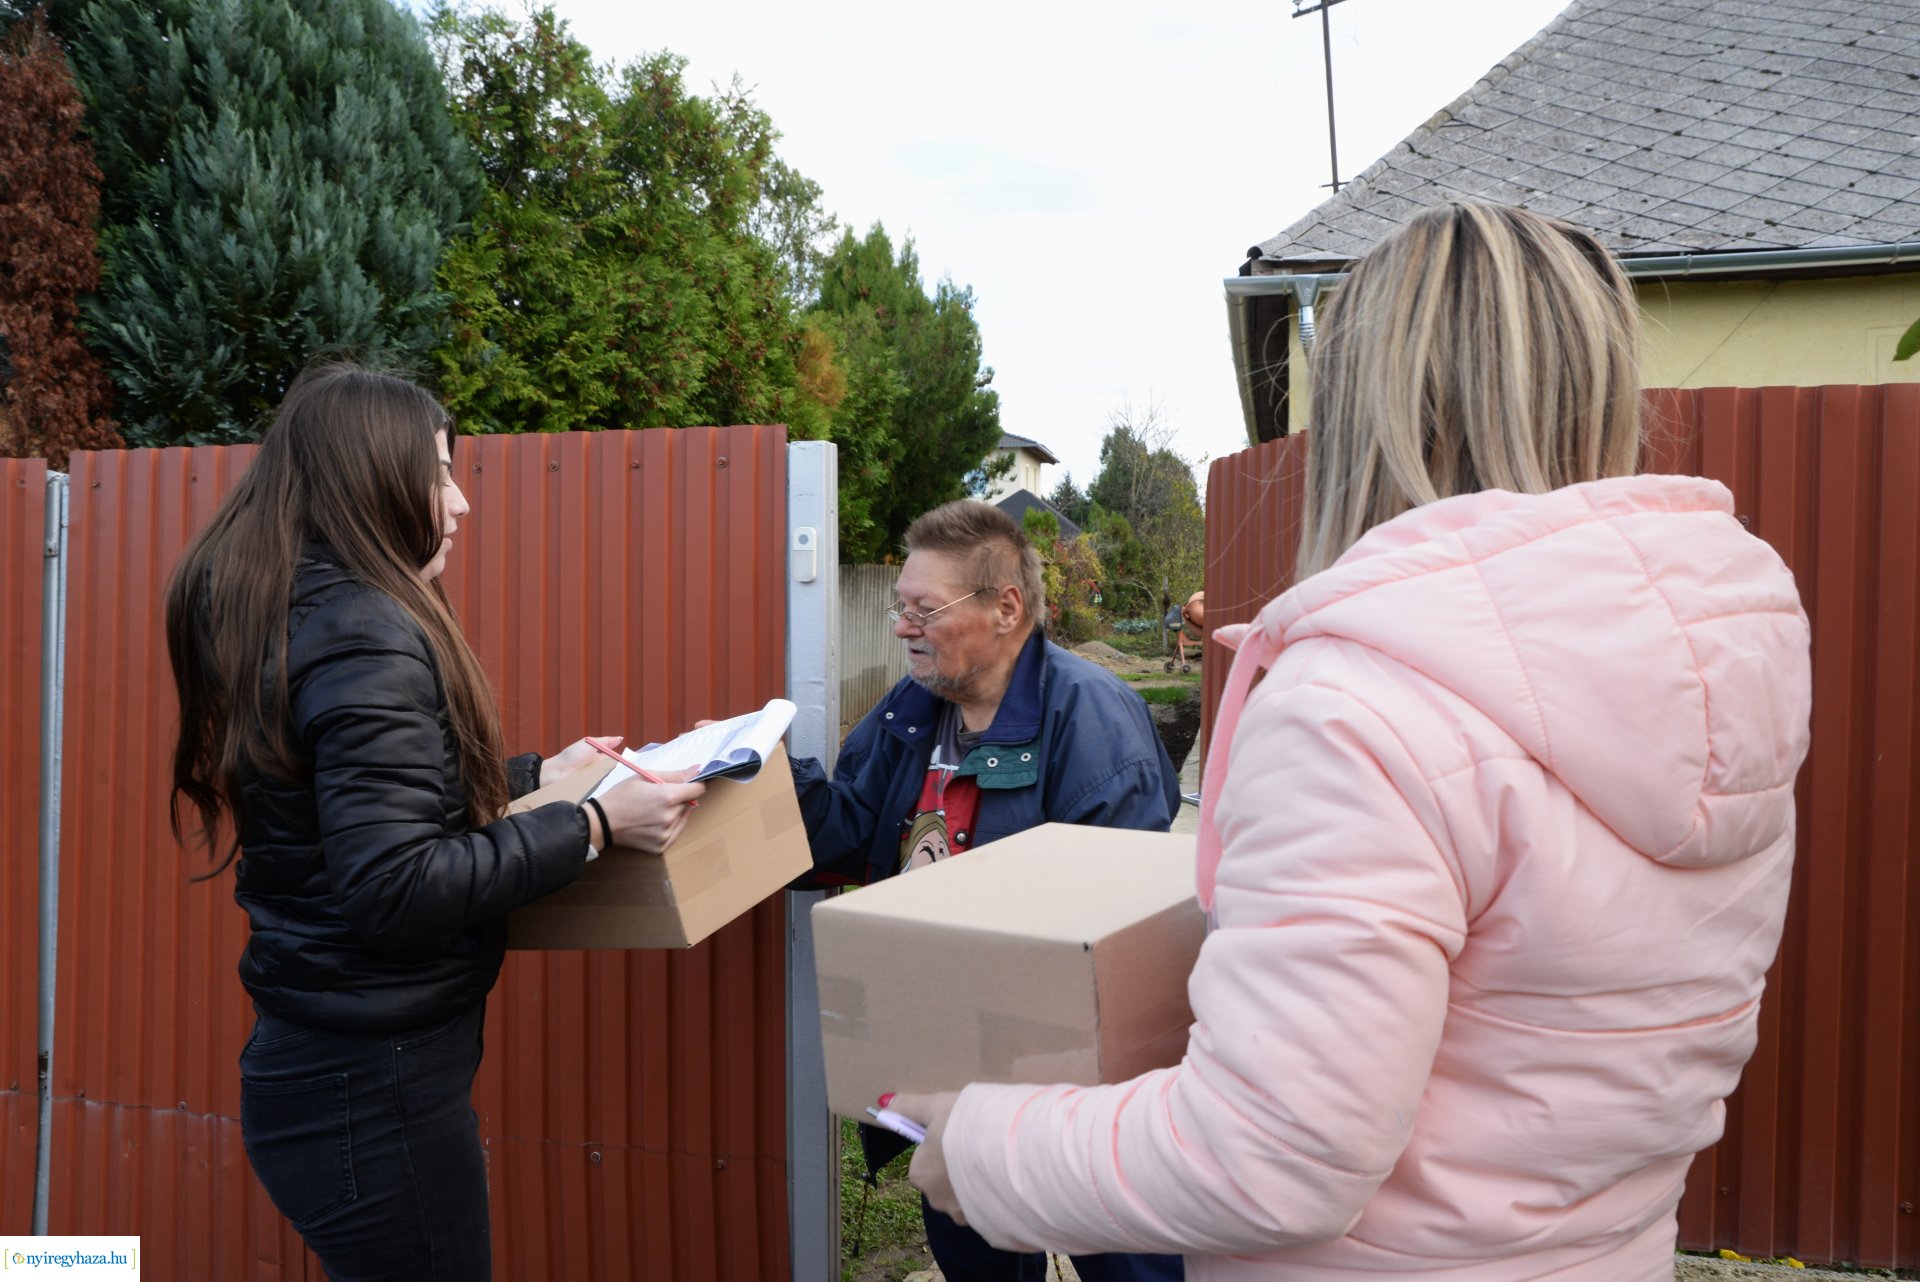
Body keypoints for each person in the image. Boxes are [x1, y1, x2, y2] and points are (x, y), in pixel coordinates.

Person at [891, 202, 1813, 1281]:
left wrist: (980, 1145)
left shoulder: (1365, 705)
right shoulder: (1709, 677)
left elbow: (1270, 1155)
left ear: (1376, 412)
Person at [164, 363, 705, 1281]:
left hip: (338, 1076)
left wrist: (542, 775)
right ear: (374, 478)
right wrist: (594, 826)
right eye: (442, 473)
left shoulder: (309, 613)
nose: (460, 505)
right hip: (370, 1094)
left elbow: (364, 808)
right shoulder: (364, 630)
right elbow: (396, 886)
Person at [792, 499, 1184, 1282]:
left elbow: (1118, 932)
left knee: (1121, 1259)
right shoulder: (912, 709)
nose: (901, 626)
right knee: (972, 1255)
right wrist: (767, 784)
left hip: (1064, 1077)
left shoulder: (1091, 720)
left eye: (921, 610)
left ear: (1006, 608)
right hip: (941, 1053)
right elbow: (845, 831)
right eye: (901, 607)